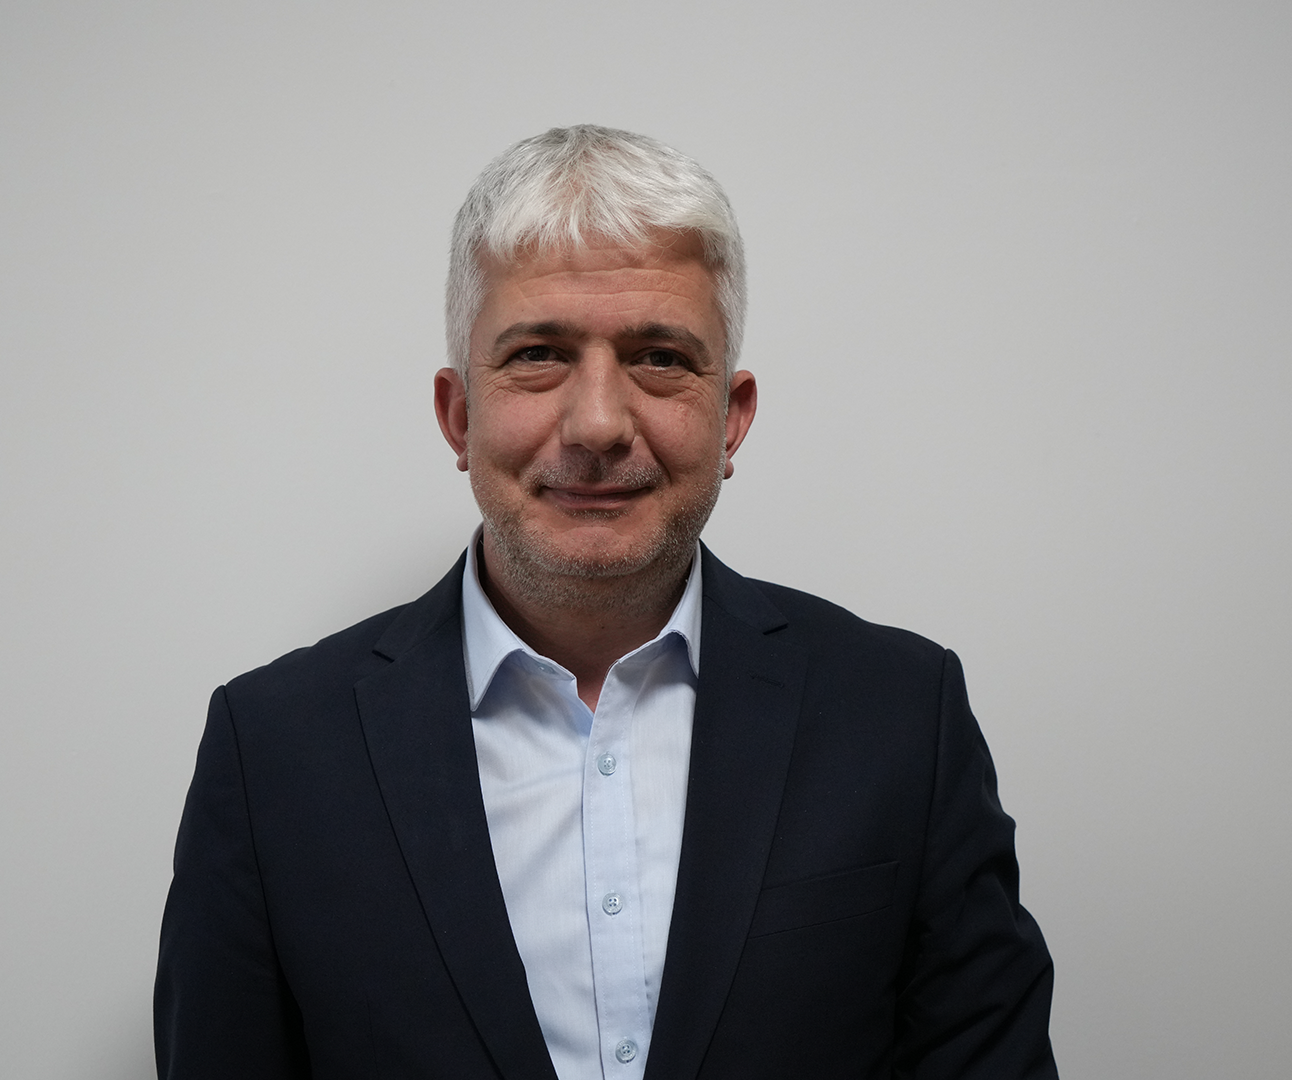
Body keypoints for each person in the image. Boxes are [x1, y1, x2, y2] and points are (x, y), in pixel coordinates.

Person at [155, 124, 1057, 1080]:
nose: (596, 425)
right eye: (539, 353)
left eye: (660, 357)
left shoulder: (903, 716)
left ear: (731, 418)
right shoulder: (272, 752)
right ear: (459, 416)